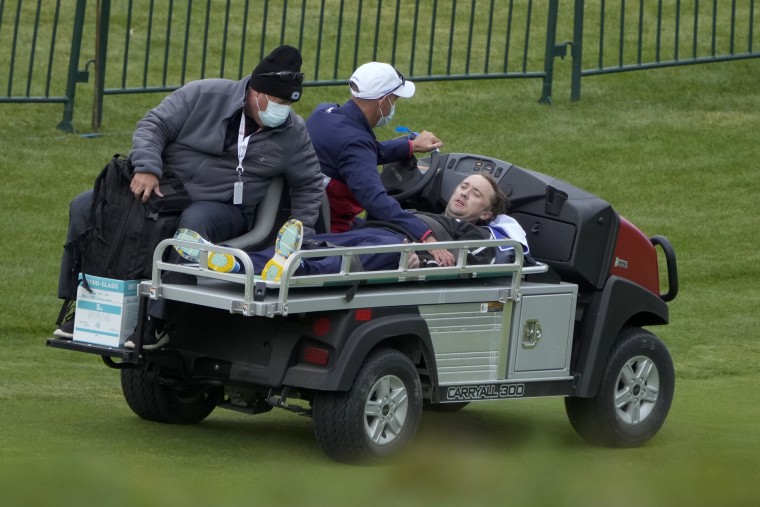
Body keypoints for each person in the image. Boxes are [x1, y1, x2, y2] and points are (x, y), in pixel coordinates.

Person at [55, 45, 324, 347]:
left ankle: (155, 322)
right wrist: (147, 168)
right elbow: (152, 125)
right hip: (164, 190)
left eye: (288, 103)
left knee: (191, 225)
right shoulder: (203, 94)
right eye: (277, 101)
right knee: (85, 205)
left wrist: (300, 231)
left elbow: (310, 184)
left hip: (223, 207)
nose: (282, 110)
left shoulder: (293, 132)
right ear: (255, 91)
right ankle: (84, 304)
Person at [175, 174, 529, 282]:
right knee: (309, 245)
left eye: (476, 194)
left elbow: (486, 260)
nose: (464, 193)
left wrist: (425, 262)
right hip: (379, 230)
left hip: (399, 251)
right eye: (464, 186)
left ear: (487, 213)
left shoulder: (477, 235)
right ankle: (233, 262)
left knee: (332, 259)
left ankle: (259, 267)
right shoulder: (424, 211)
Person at [305, 62, 453, 265]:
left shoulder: (323, 113)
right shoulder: (355, 143)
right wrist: (425, 235)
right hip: (329, 231)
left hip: (309, 218)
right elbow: (375, 200)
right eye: (394, 100)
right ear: (382, 102)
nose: (393, 106)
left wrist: (410, 146)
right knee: (395, 242)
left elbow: (361, 153)